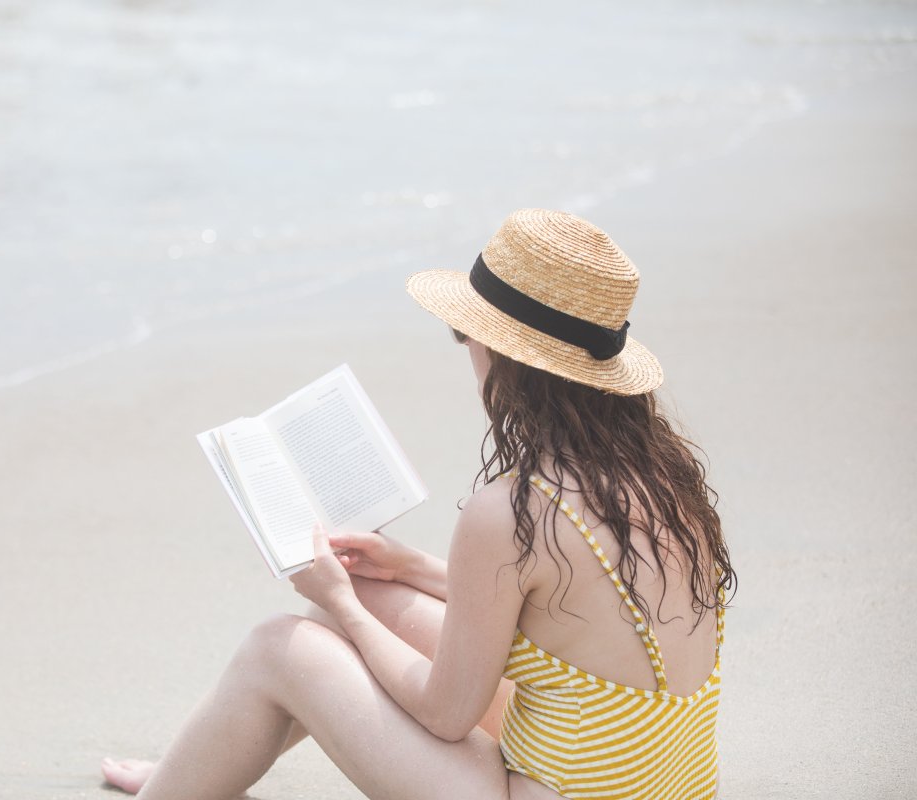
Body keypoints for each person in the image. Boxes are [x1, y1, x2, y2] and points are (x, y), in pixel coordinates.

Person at [101, 208, 735, 799]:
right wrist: (405, 570)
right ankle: (194, 768)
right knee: (375, 599)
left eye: (466, 333)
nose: (466, 349)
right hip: (651, 780)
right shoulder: (662, 479)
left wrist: (340, 602)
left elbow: (447, 715)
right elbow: (564, 612)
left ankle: (176, 788)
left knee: (280, 644)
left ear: (513, 359)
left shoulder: (513, 510)